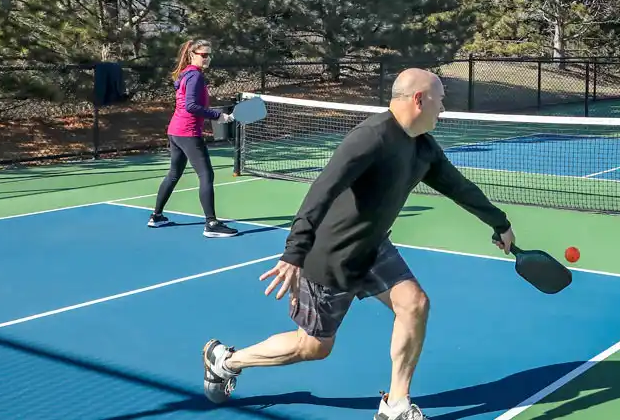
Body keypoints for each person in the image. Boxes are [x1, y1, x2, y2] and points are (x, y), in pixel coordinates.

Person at [200, 68, 517, 420]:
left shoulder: (422, 146)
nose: (443, 107)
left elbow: (459, 187)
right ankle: (226, 361)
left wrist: (498, 222)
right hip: (332, 255)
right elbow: (322, 191)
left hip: (373, 247)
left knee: (414, 304)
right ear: (419, 99)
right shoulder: (371, 138)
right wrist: (295, 252)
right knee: (314, 346)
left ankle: (396, 404)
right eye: (440, 99)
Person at [147, 39, 238, 237]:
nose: (207, 58)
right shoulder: (195, 76)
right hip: (187, 132)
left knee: (174, 173)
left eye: (209, 55)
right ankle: (211, 223)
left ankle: (156, 216)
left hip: (175, 131)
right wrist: (217, 115)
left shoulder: (185, 74)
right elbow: (191, 106)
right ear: (192, 55)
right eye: (203, 55)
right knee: (206, 175)